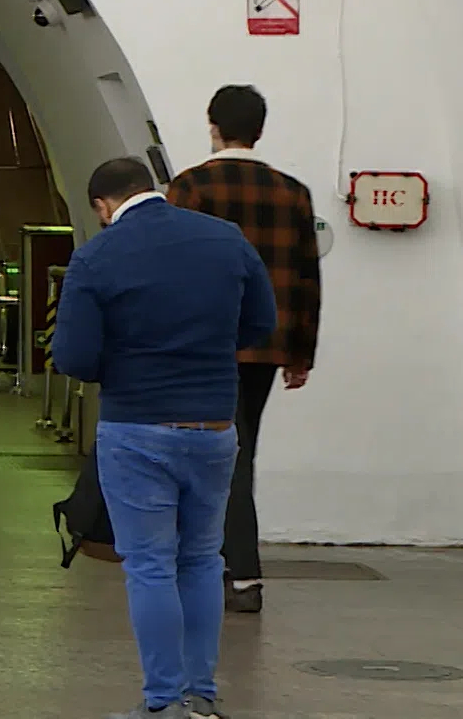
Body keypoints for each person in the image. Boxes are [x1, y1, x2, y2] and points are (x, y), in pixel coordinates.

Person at [53, 158, 276, 719]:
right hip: (214, 426)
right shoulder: (226, 240)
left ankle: (161, 703)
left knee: (150, 564)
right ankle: (200, 697)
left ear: (103, 206)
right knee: (202, 559)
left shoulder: (98, 255)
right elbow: (260, 323)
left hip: (137, 429)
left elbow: (74, 357)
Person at [165, 85, 322, 615]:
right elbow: (306, 277)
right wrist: (301, 354)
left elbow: (175, 273)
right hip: (268, 344)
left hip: (205, 345)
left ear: (213, 125)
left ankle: (240, 573)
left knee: (220, 454)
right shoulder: (292, 192)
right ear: (261, 128)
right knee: (239, 447)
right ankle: (230, 565)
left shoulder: (190, 187)